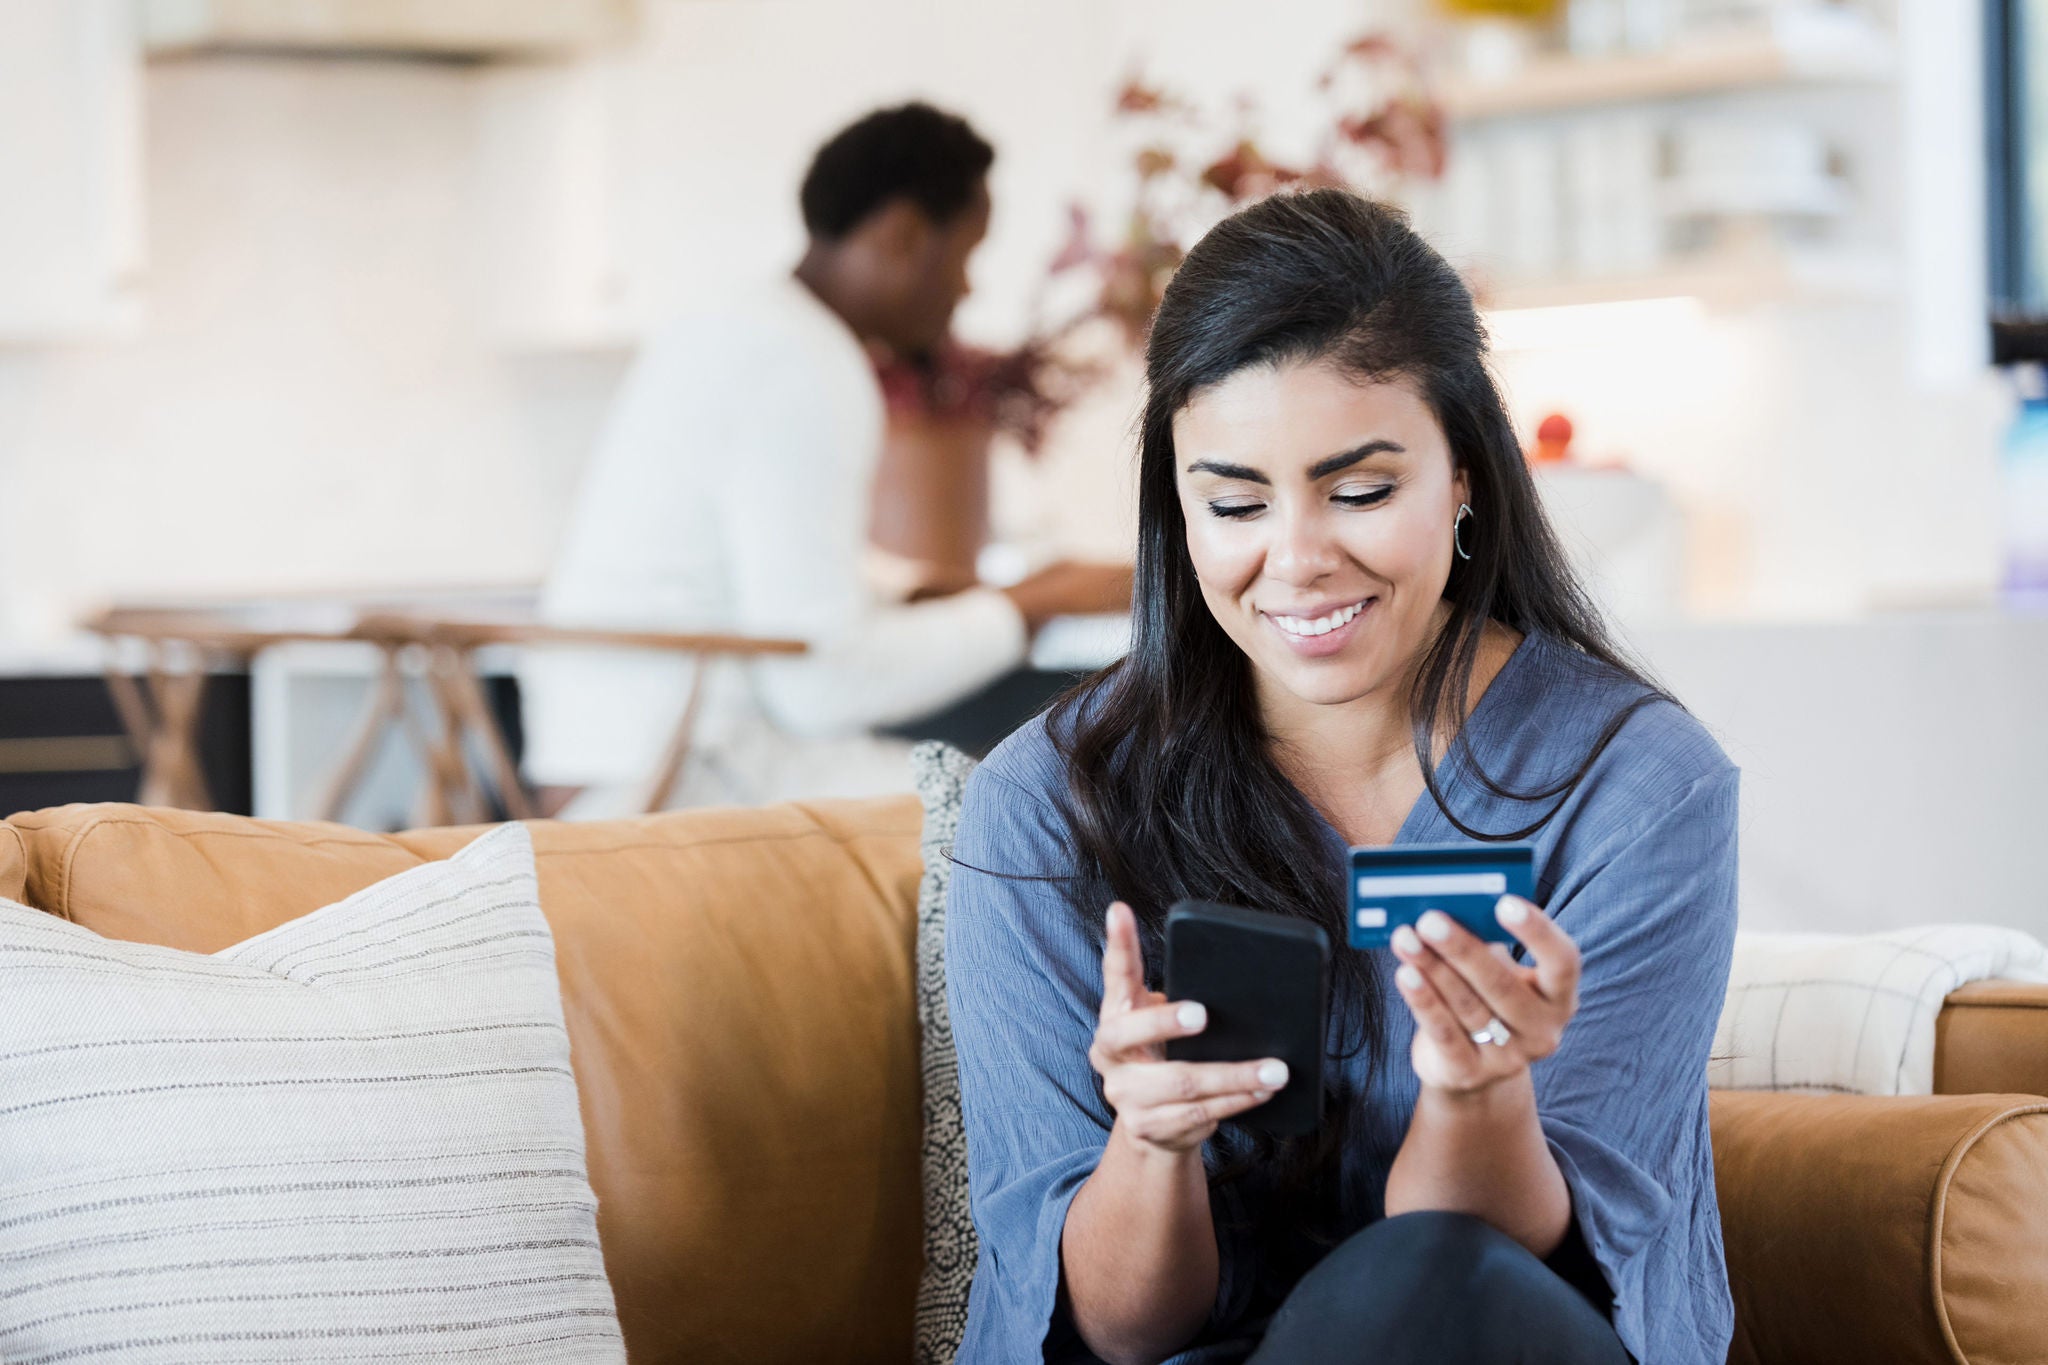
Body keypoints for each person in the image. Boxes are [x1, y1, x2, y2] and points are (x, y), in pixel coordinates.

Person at [945, 188, 1737, 1365]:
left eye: (1359, 491)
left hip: (1487, 1335)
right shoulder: (1043, 806)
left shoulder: (1633, 790)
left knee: (1418, 1286)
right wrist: (1148, 1147)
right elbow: (1114, 1332)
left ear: (1463, 475)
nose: (1299, 561)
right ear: (1177, 505)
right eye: (1232, 502)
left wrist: (1477, 1099)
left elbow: (1493, 1288)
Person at [523, 103, 1128, 815]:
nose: (968, 288)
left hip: (599, 761)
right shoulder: (804, 362)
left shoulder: (729, 325)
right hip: (676, 779)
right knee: (1026, 808)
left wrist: (941, 600)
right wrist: (1035, 602)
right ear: (903, 235)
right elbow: (822, 686)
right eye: (966, 255)